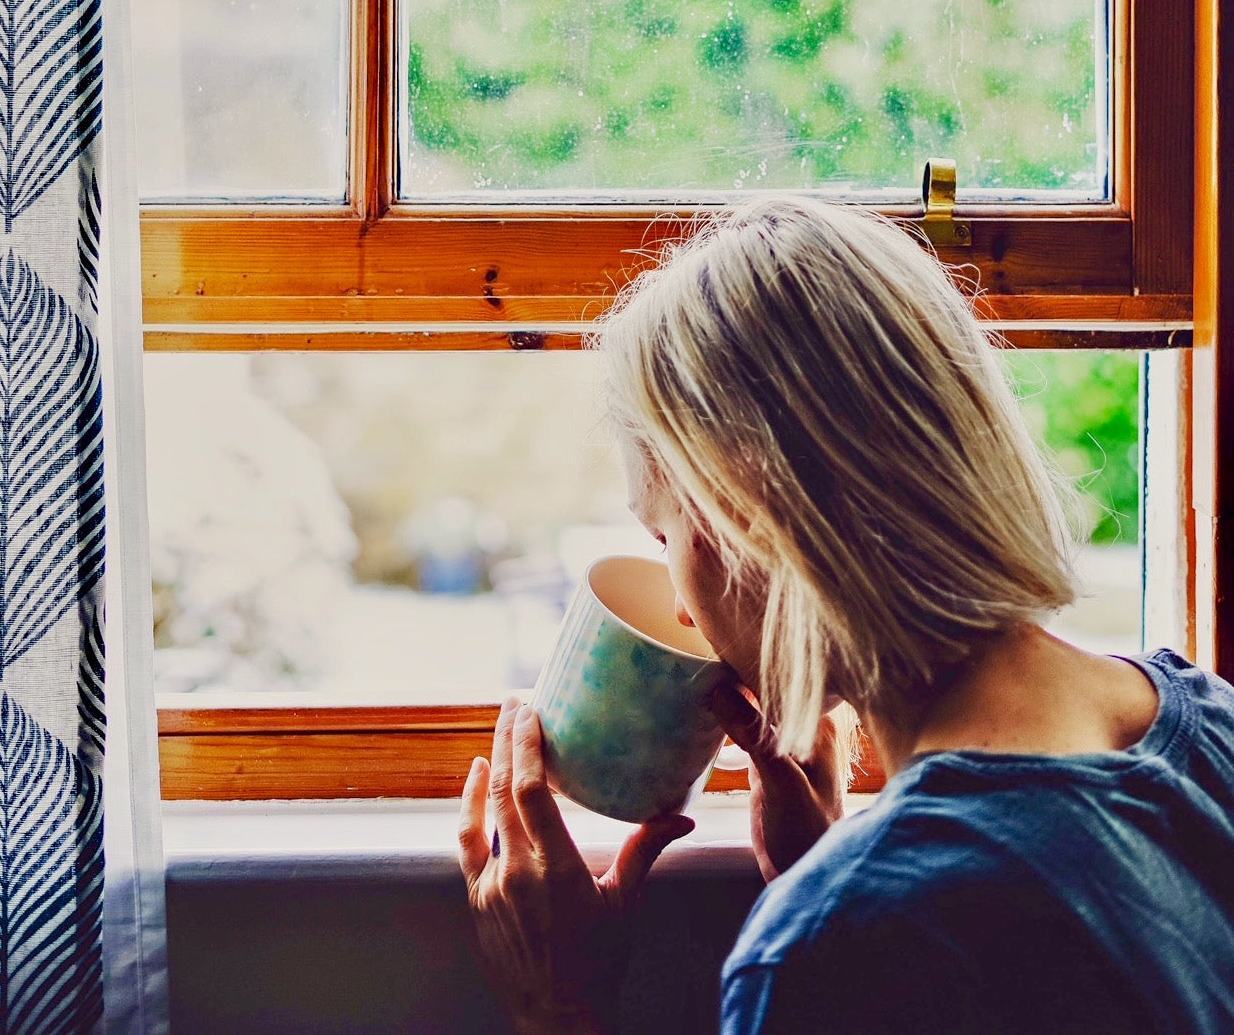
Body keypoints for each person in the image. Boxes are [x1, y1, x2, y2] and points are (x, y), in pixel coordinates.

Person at [457, 196, 1234, 1034]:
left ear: (746, 510)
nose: (681, 604)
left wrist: (561, 1012)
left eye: (664, 532)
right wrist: (828, 865)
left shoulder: (838, 944)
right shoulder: (1212, 723)